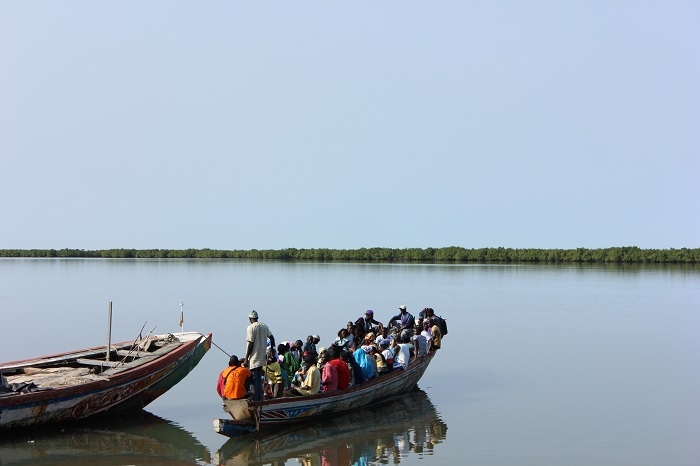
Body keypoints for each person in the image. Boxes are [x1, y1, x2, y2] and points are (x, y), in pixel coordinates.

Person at [245, 310, 275, 402]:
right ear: (257, 318)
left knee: (255, 380)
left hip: (254, 358)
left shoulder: (250, 328)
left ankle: (256, 400)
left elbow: (251, 343)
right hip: (261, 357)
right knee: (258, 379)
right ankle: (259, 398)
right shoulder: (264, 326)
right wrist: (272, 352)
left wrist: (246, 358)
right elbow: (272, 337)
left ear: (250, 319)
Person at [216, 355, 252, 420]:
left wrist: (223, 397)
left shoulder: (224, 372)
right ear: (238, 363)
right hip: (240, 395)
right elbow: (251, 375)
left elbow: (218, 388)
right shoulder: (243, 370)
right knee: (252, 391)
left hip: (226, 396)